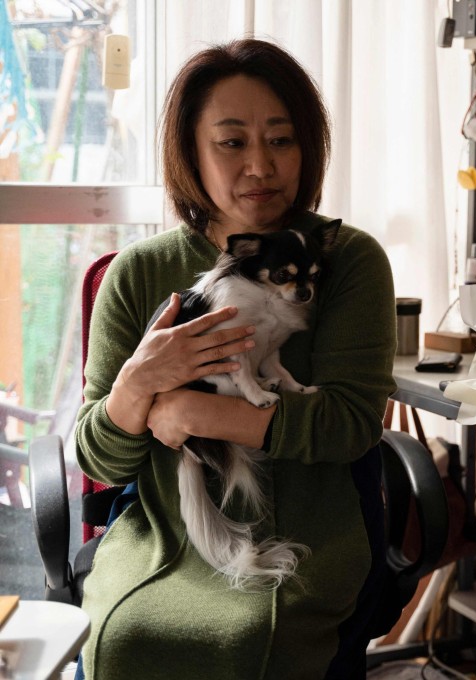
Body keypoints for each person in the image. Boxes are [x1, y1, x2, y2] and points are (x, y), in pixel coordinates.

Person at [74, 38, 396, 679]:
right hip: (168, 532)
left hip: (307, 537)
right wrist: (140, 385)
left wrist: (191, 408)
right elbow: (100, 458)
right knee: (125, 643)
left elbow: (347, 424)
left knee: (250, 641)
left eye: (281, 140)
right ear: (191, 151)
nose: (261, 166)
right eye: (231, 142)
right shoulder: (139, 272)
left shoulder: (347, 259)